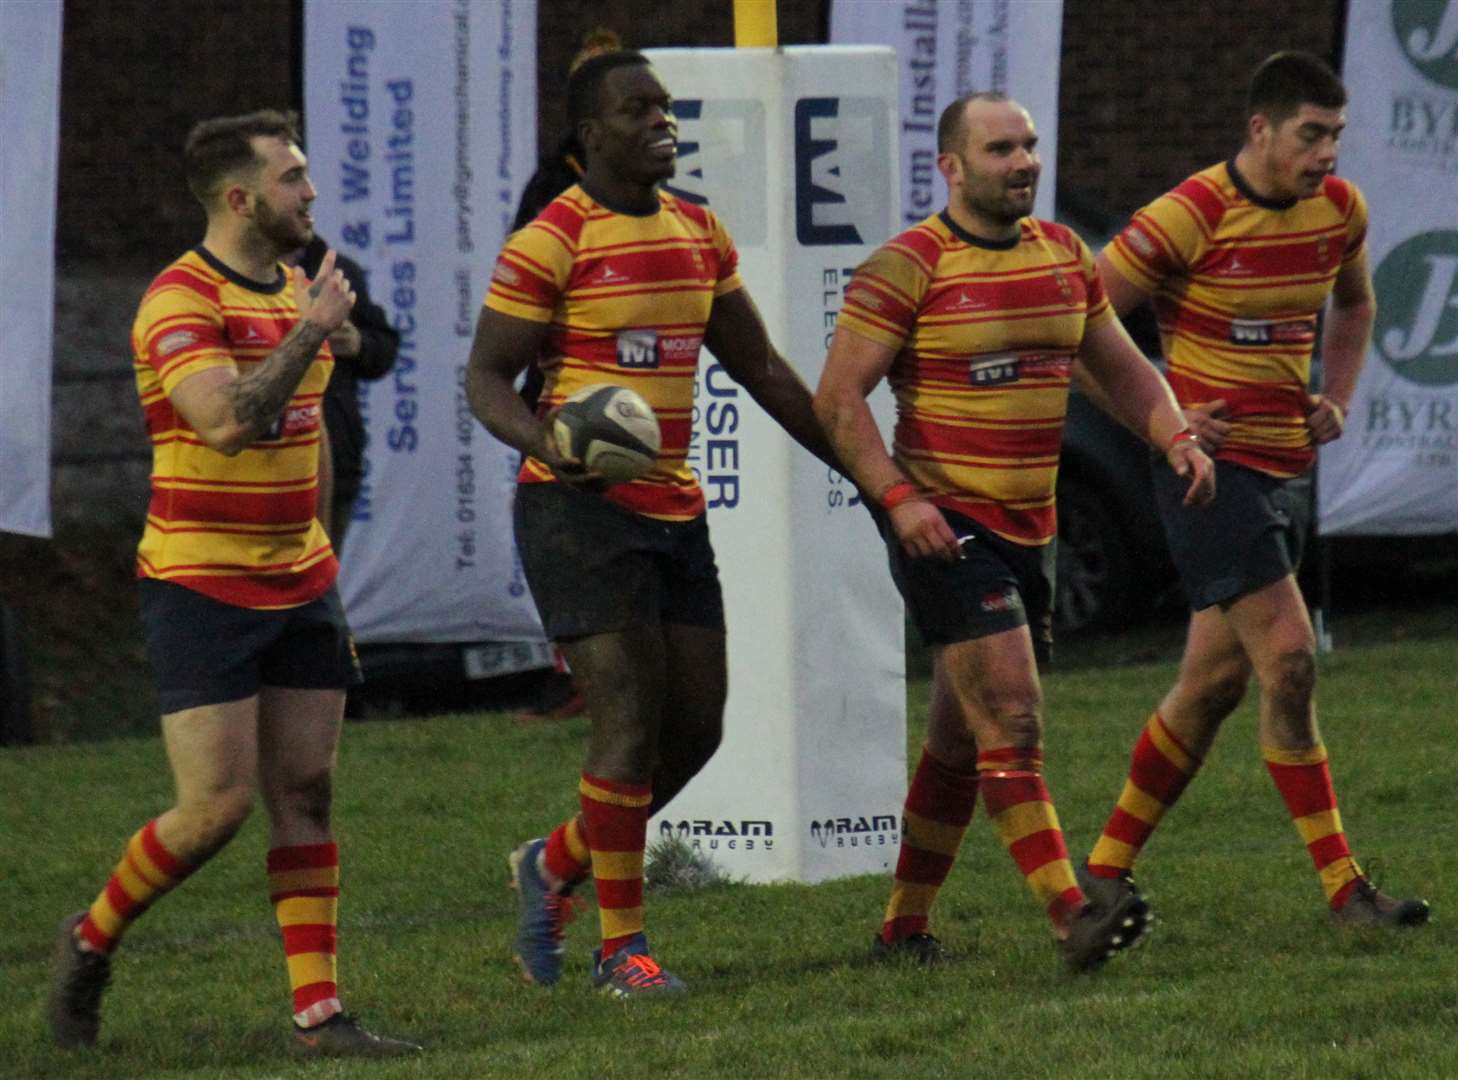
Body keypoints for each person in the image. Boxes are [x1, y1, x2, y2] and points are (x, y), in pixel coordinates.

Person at [812, 93, 1216, 971]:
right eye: (1001, 148)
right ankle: (1072, 912)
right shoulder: (907, 266)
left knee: (960, 738)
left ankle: (903, 930)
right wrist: (897, 499)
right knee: (1015, 716)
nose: (1023, 161)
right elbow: (837, 399)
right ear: (951, 167)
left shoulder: (1066, 254)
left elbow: (1120, 368)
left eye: (1030, 145)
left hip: (1033, 528)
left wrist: (1175, 434)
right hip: (943, 522)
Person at [46, 110, 419, 1057]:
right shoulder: (179, 301)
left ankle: (319, 1016)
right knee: (215, 808)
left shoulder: (295, 284)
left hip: (301, 582)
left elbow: (310, 433)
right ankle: (91, 939)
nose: (312, 193)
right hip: (201, 584)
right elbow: (227, 424)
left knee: (309, 788)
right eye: (293, 178)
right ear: (241, 198)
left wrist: (323, 555)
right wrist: (309, 336)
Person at [466, 50, 839, 996]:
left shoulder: (698, 231)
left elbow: (763, 372)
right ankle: (619, 953)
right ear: (592, 136)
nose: (664, 122)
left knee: (698, 729)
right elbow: (483, 381)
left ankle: (554, 863)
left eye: (667, 108)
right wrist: (553, 439)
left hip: (673, 507)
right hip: (576, 509)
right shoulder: (550, 240)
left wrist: (871, 476)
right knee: (626, 720)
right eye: (640, 110)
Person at [1078, 51, 1430, 928]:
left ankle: (1103, 871)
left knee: (1210, 688)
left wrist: (1337, 397)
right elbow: (1077, 329)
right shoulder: (1188, 214)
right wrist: (1165, 420)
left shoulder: (1339, 210)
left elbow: (1355, 306)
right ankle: (1347, 892)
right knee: (1293, 656)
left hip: (1280, 471)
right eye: (1311, 135)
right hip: (1210, 478)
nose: (1327, 154)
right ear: (1259, 130)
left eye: (1337, 136)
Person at [509, 27, 623, 724]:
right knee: (568, 531)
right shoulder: (552, 186)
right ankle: (575, 667)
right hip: (564, 386)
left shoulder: (664, 184)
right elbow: (519, 287)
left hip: (648, 390)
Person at [290, 235, 400, 552]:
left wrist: (358, 344)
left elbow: (384, 346)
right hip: (263, 462)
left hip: (337, 456)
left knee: (320, 578)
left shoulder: (338, 272)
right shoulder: (238, 273)